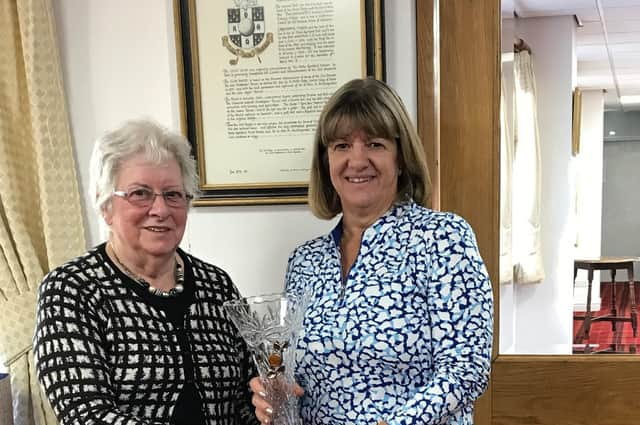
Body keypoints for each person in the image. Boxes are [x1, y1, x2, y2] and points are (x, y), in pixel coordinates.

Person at [250, 78, 493, 425]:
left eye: (375, 144)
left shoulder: (442, 239)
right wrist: (276, 394)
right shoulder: (304, 261)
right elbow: (295, 373)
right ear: (326, 162)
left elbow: (466, 369)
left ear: (401, 156)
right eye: (342, 145)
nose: (357, 159)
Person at [33, 120, 259, 425]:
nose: (160, 209)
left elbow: (248, 399)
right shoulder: (71, 290)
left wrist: (269, 406)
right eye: (140, 193)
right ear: (105, 205)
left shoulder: (217, 285)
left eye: (173, 194)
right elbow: (86, 416)